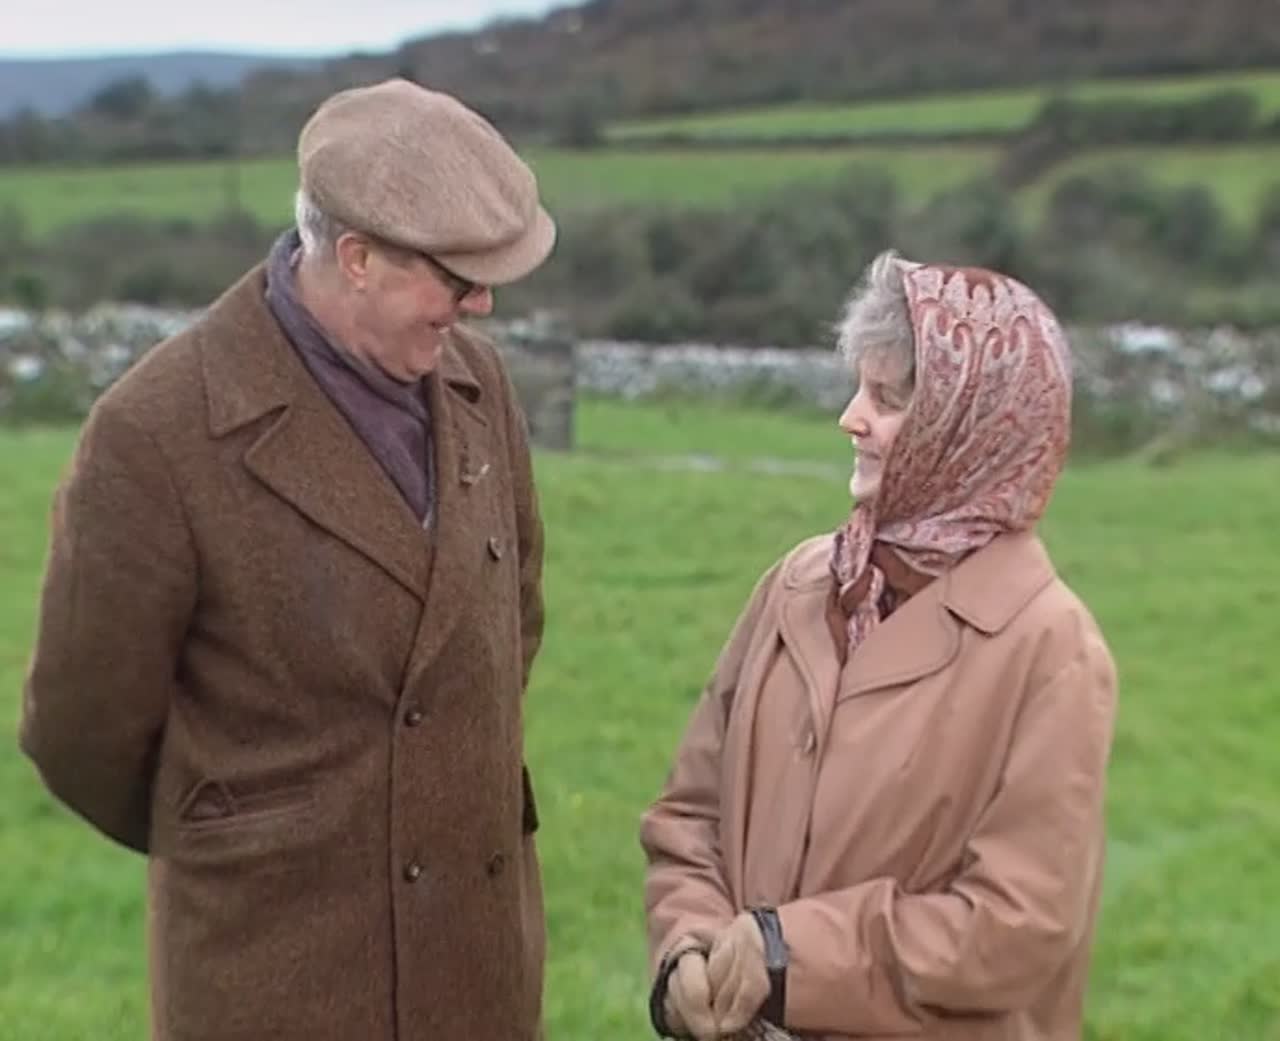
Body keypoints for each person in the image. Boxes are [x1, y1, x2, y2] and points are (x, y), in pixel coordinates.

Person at [19, 78, 554, 1041]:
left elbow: (510, 620)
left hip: (479, 975)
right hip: (277, 984)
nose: (481, 304)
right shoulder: (156, 431)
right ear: (356, 258)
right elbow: (81, 735)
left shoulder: (481, 385)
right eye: (457, 277)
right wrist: (251, 842)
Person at [641, 251, 1118, 1041]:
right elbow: (690, 815)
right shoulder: (798, 583)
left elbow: (1018, 925)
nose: (850, 417)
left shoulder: (1052, 649)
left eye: (889, 399)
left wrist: (789, 957)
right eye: (860, 387)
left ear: (970, 434)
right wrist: (687, 944)